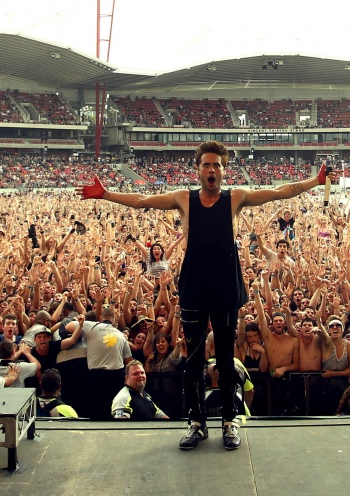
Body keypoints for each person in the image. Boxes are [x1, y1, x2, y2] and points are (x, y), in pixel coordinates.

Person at [82, 140, 332, 451]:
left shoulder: (236, 197)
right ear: (198, 170)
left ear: (224, 171)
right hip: (195, 284)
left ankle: (229, 420)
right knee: (193, 359)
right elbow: (143, 200)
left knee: (226, 359)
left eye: (217, 165)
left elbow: (279, 192)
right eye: (206, 165)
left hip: (225, 284)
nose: (211, 170)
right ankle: (197, 423)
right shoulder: (183, 198)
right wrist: (106, 194)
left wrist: (316, 181)